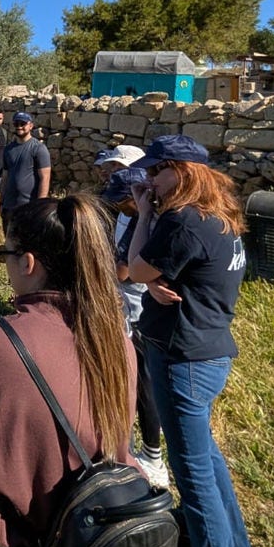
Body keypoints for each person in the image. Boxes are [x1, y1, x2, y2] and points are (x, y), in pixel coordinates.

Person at [0, 195, 138, 547]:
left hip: (9, 543)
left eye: (4, 253)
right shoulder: (118, 343)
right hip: (90, 542)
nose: (5, 262)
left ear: (28, 263)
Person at [127, 134, 256, 547]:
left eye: (156, 170)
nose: (149, 180)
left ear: (181, 172)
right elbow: (187, 275)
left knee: (194, 480)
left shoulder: (181, 221)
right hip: (210, 350)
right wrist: (152, 281)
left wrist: (145, 214)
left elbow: (134, 267)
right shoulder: (219, 218)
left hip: (181, 358)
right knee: (207, 460)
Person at [101, 167, 168, 490]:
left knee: (143, 384)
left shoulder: (148, 221)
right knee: (128, 381)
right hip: (127, 311)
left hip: (141, 314)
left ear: (136, 196)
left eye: (121, 201)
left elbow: (123, 271)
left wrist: (97, 268)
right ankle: (123, 447)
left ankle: (153, 455)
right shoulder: (130, 217)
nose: (117, 207)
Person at [0, 111, 51, 234]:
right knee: (9, 240)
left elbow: (45, 178)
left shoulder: (38, 148)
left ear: (31, 126)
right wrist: (1, 201)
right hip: (9, 206)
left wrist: (40, 206)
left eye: (23, 124)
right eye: (16, 124)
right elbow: (5, 177)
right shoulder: (8, 149)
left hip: (29, 206)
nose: (19, 127)